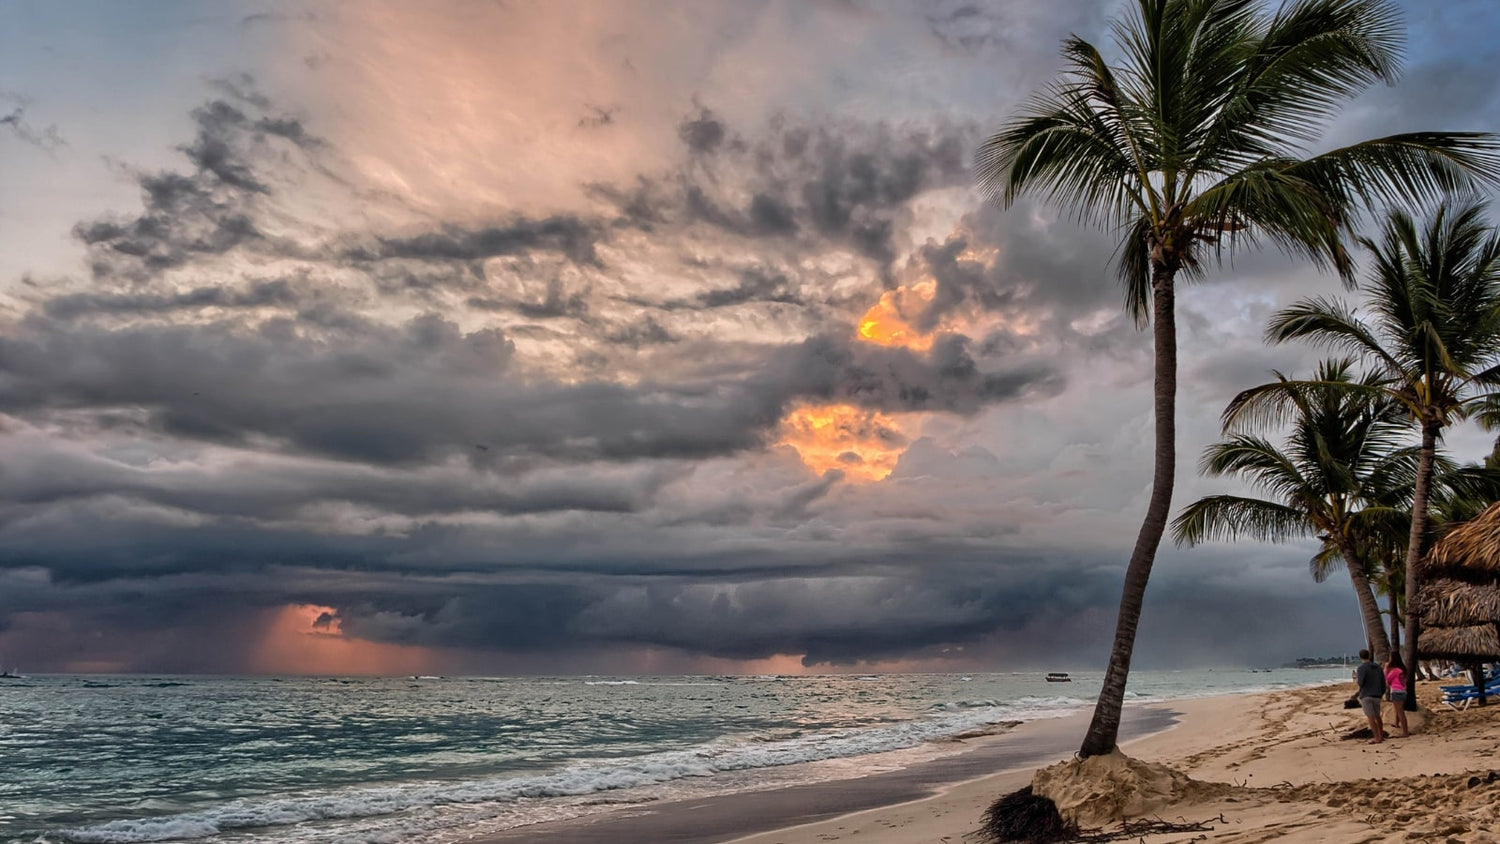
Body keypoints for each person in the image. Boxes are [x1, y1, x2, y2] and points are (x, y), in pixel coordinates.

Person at [1355, 649, 1385, 744]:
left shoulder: (1361, 668)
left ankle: (1377, 737)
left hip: (1367, 695)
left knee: (1370, 717)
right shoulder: (1378, 667)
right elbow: (1383, 682)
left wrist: (1357, 681)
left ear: (1360, 657)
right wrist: (1381, 692)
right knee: (1377, 716)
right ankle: (1381, 735)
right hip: (1377, 694)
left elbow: (1360, 682)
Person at [1385, 654, 1410, 737]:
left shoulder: (1395, 671)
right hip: (1403, 691)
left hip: (1396, 691)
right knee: (1398, 709)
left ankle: (1405, 732)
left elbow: (1387, 679)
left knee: (1400, 712)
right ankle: (1396, 723)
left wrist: (1385, 668)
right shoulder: (1403, 670)